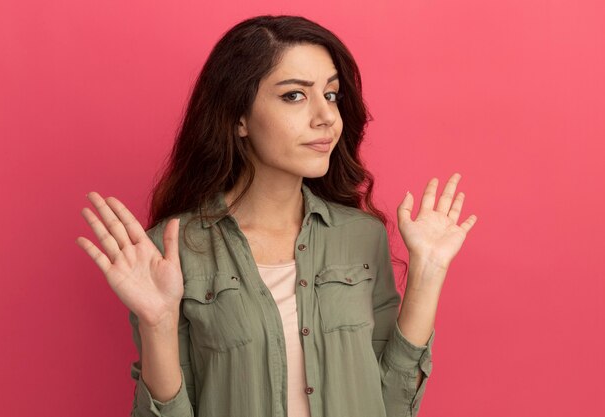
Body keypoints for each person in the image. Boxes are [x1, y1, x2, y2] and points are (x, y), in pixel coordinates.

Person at [76, 14, 477, 417]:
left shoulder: (361, 236)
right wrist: (157, 324)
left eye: (331, 94)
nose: (325, 116)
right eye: (294, 96)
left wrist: (428, 273)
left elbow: (392, 403)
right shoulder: (170, 251)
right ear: (239, 118)